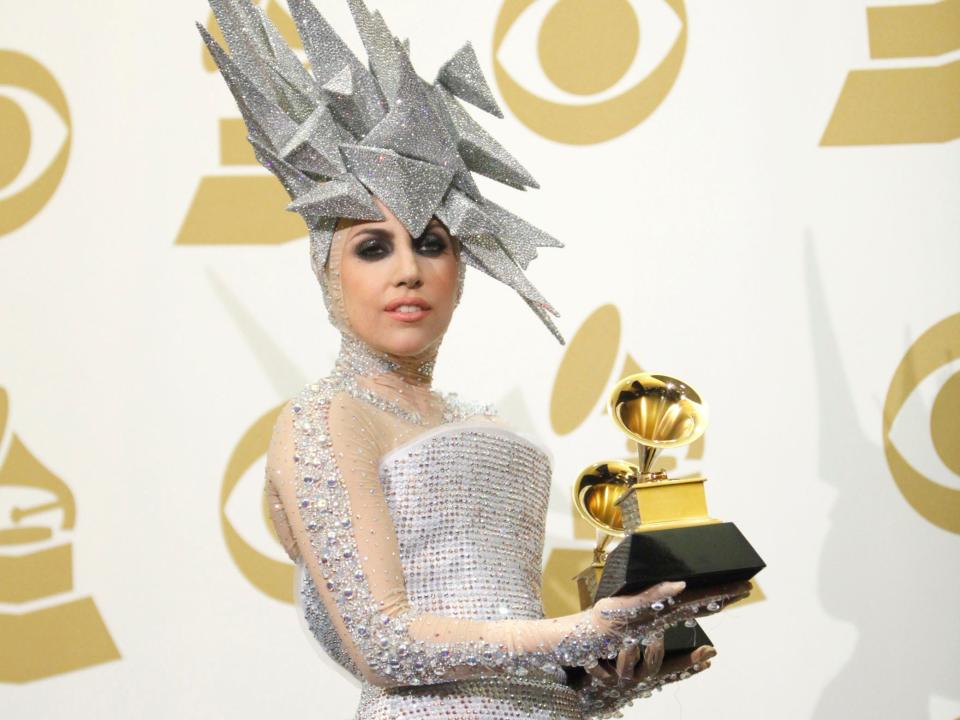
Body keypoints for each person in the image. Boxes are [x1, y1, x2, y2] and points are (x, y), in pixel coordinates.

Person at [199, 1, 750, 717]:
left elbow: (509, 653)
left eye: (432, 244)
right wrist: (583, 630)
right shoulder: (328, 419)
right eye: (373, 246)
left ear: (464, 267)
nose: (408, 270)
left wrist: (610, 675)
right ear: (326, 274)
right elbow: (386, 647)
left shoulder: (485, 425)